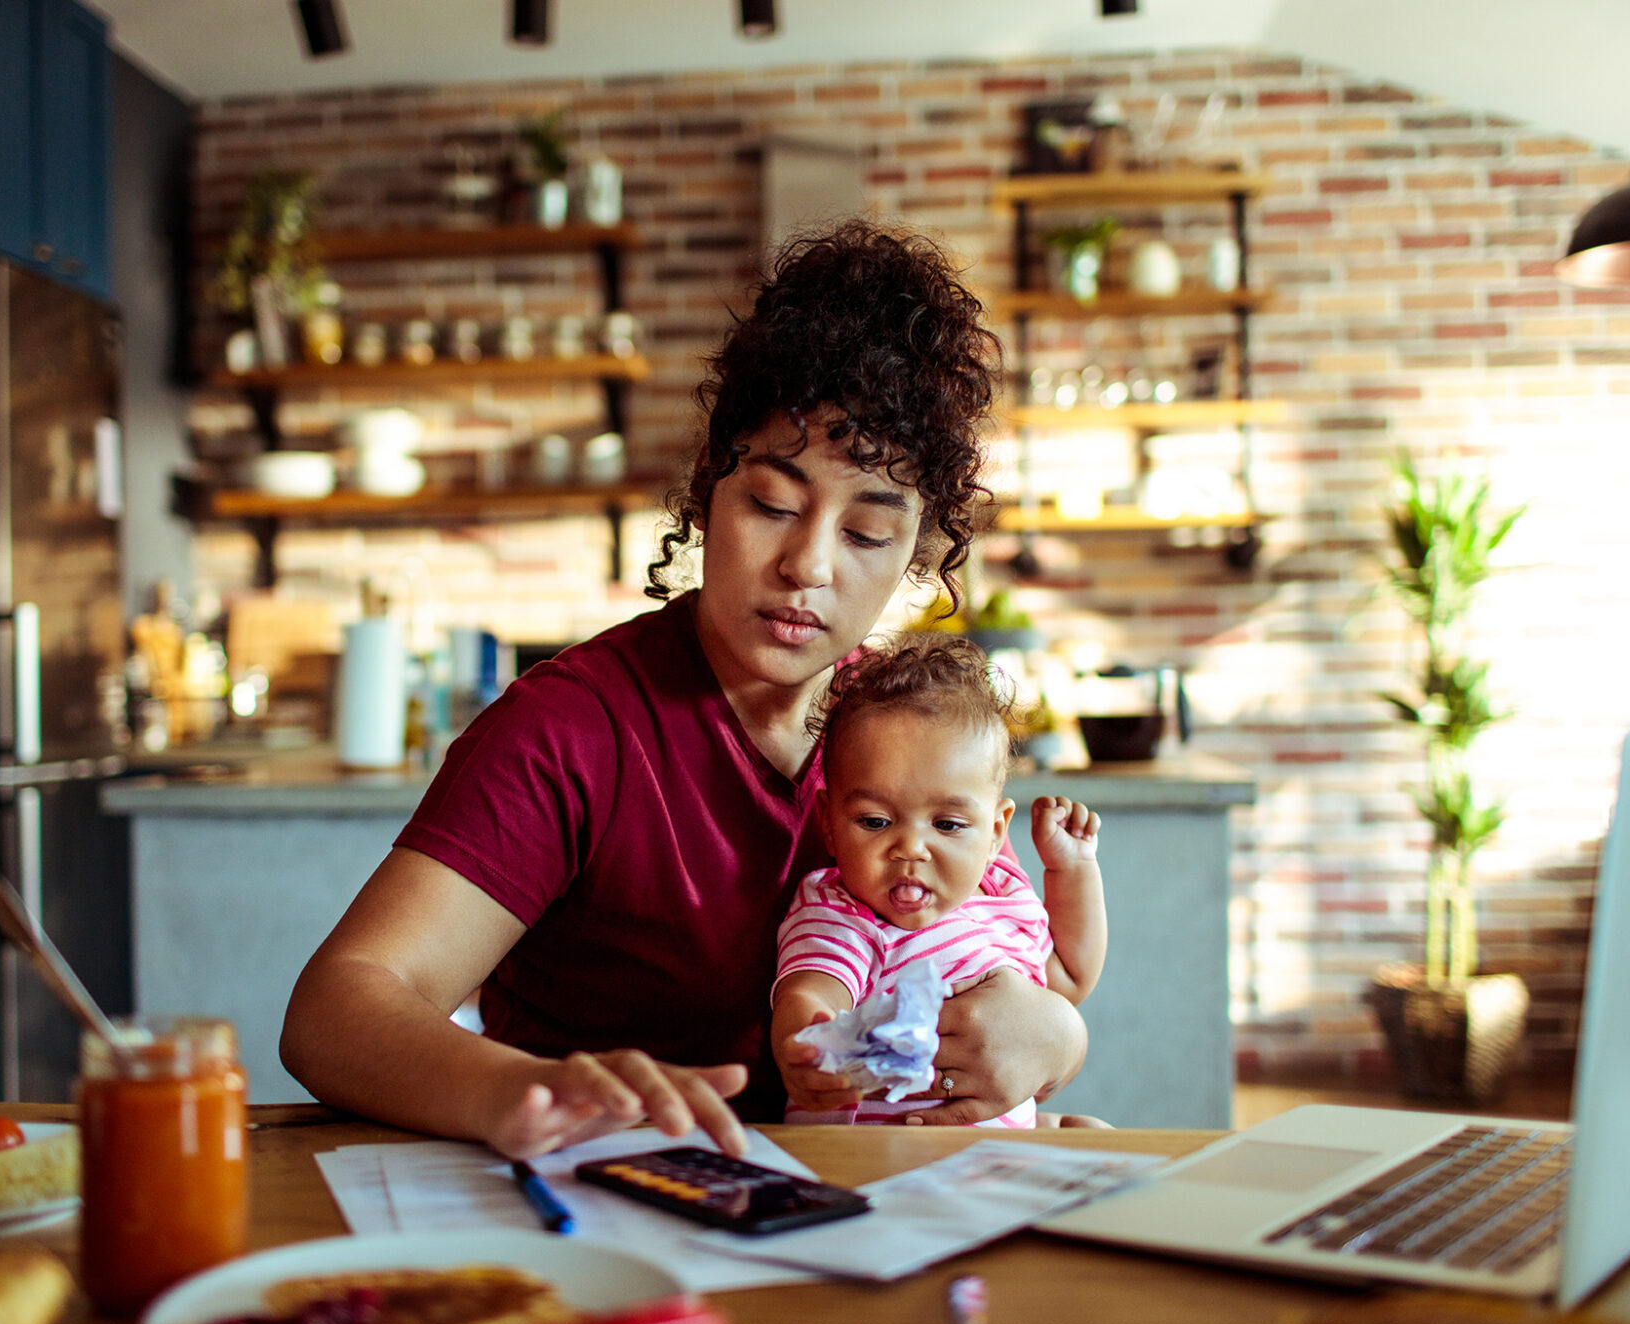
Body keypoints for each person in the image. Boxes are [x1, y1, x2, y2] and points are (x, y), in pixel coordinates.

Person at [281, 221, 1091, 1161]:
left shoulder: (909, 731)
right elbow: (336, 1008)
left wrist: (1055, 1039)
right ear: (709, 491)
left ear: (918, 552)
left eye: (869, 533)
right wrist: (523, 1089)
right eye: (773, 505)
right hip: (614, 1194)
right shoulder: (572, 729)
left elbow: (1003, 963)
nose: (808, 565)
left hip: (869, 1203)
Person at [770, 635, 1106, 1127]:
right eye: (875, 821)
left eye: (947, 825)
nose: (911, 849)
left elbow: (1070, 980)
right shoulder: (843, 912)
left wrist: (1072, 871)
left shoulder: (1000, 894)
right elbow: (813, 990)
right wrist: (806, 1039)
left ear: (994, 833)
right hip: (882, 1157)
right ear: (828, 823)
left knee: (1091, 1135)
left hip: (990, 1155)